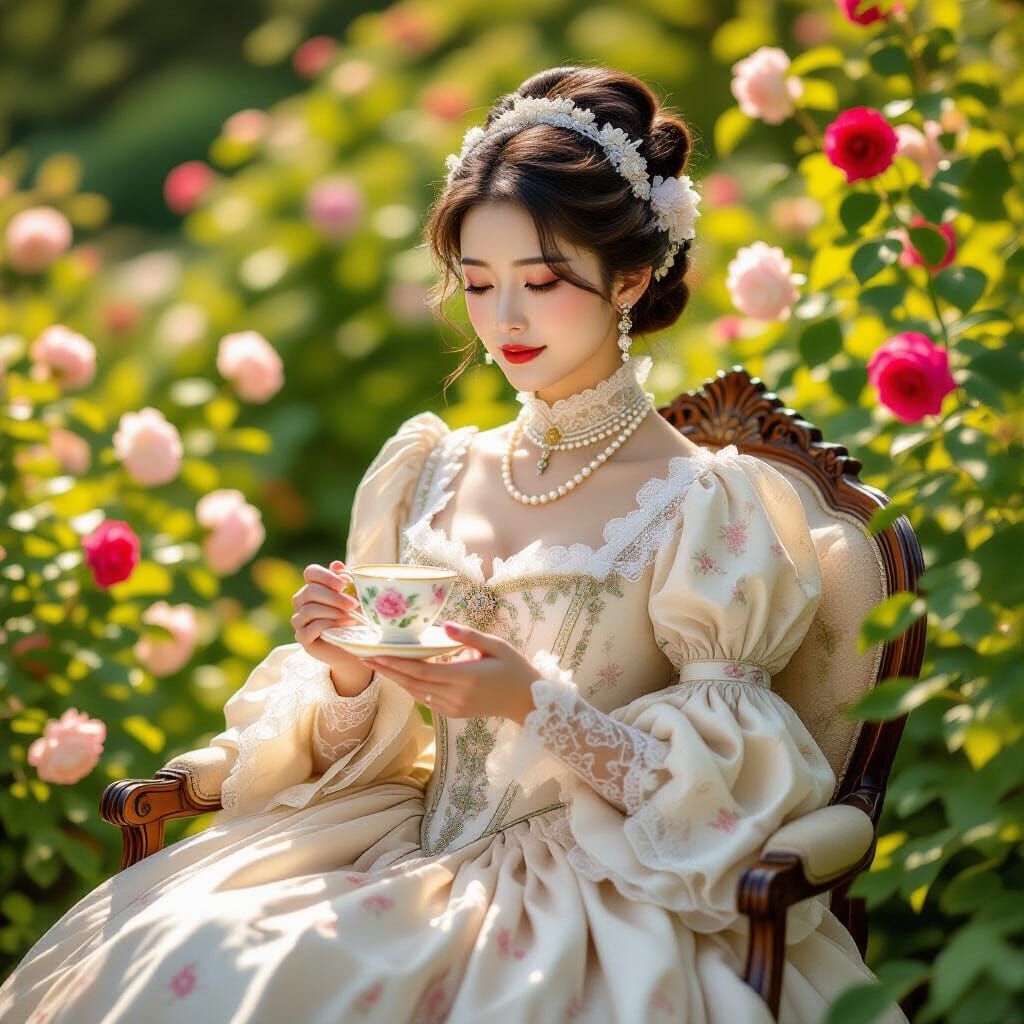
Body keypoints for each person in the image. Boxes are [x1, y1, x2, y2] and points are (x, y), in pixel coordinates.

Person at [0, 65, 908, 1024]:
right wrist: (348, 676)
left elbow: (727, 786)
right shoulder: (428, 470)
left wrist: (535, 703)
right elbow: (387, 745)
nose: (504, 317)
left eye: (542, 281)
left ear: (631, 279)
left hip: (589, 886)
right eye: (477, 282)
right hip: (403, 845)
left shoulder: (703, 501)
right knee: (201, 951)